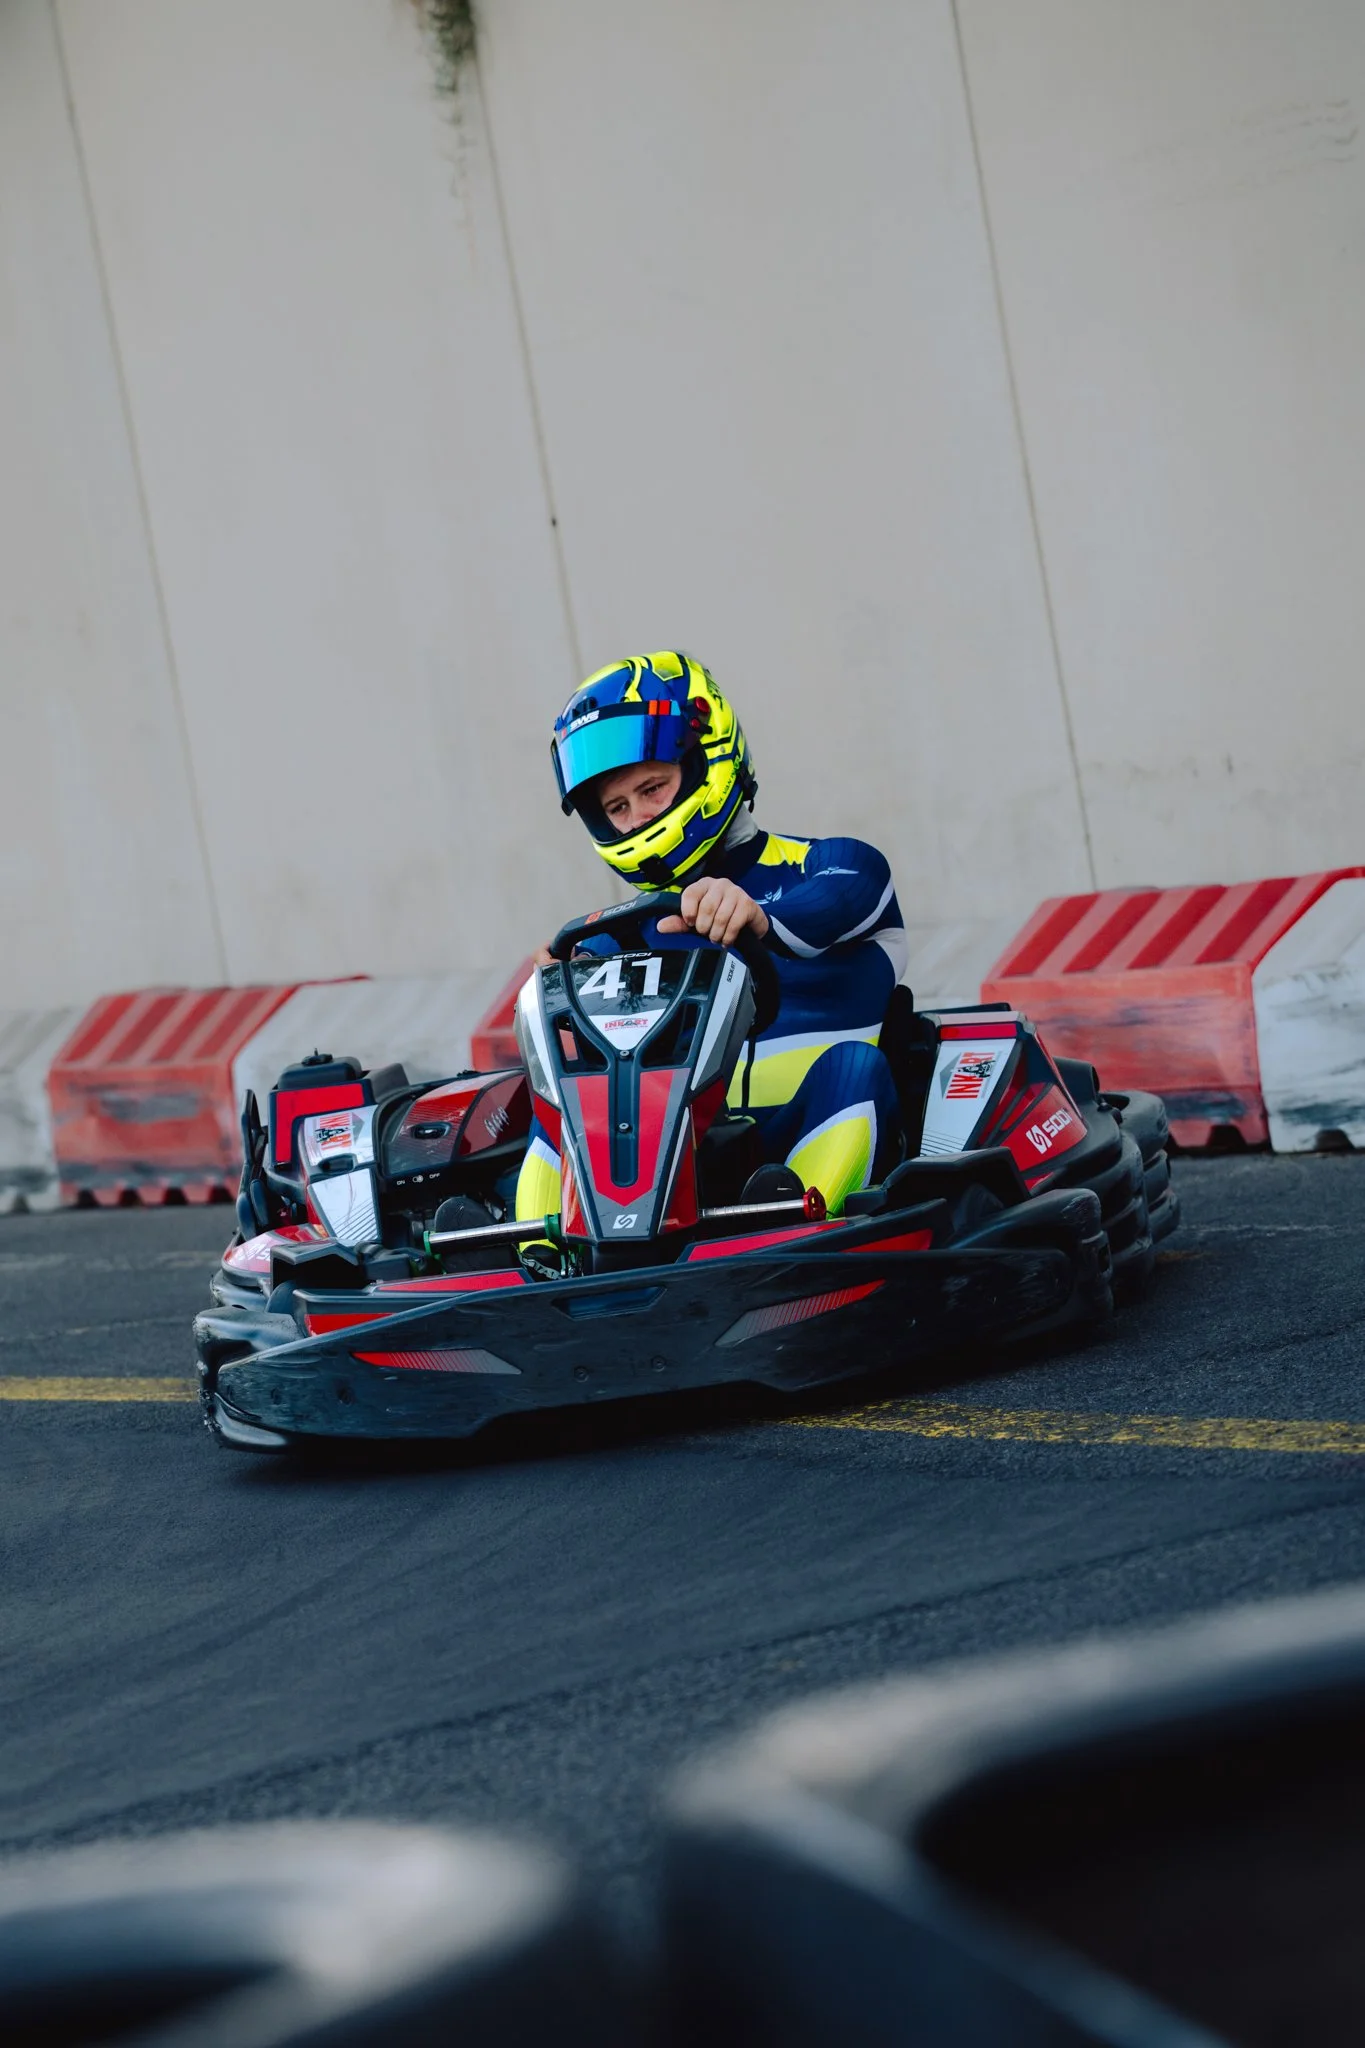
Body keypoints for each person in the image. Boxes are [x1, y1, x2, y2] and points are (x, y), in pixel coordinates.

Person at [516, 649, 907, 1229]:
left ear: (709, 760)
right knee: (562, 1098)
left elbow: (841, 899)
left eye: (652, 788)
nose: (636, 819)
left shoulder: (831, 866)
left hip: (814, 1135)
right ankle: (538, 1251)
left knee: (854, 1066)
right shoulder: (613, 938)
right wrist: (557, 992)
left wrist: (753, 916)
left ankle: (795, 1232)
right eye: (616, 807)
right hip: (675, 1163)